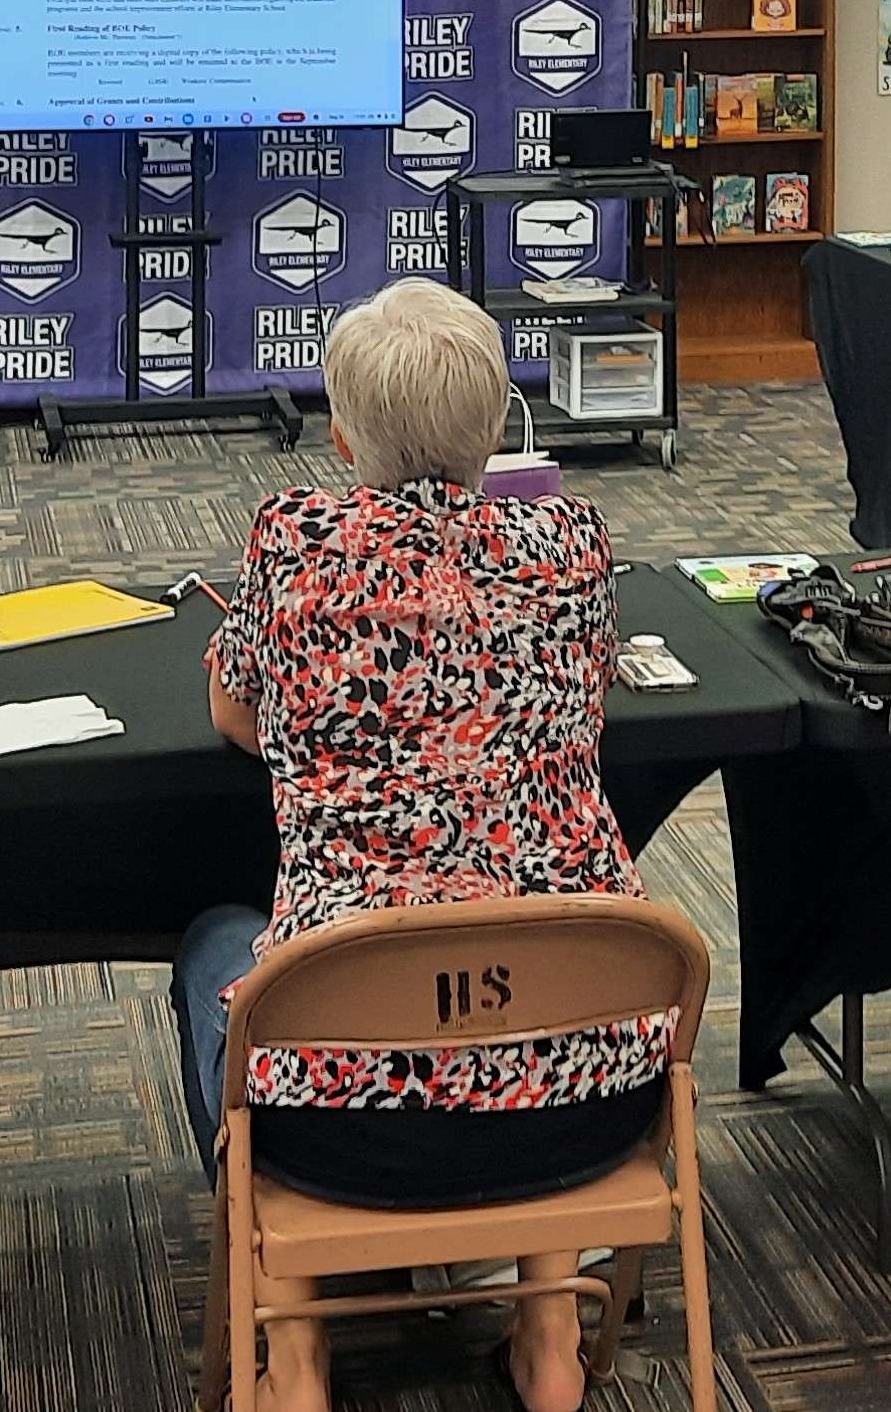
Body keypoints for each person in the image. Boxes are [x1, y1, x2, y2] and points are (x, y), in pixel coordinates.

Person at [173, 281, 658, 1412]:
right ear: (493, 431)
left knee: (214, 953)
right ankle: (549, 1332)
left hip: (343, 1130)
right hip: (590, 1107)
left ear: (344, 439)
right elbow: (584, 710)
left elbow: (236, 714)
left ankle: (296, 1355)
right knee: (531, 941)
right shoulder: (572, 543)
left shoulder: (293, 542)